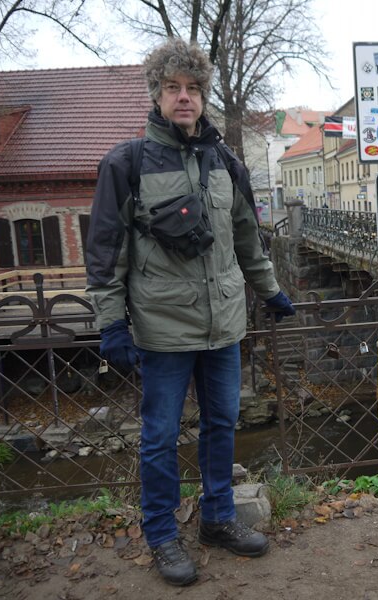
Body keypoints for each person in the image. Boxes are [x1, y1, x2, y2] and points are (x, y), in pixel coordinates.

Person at [85, 38, 295, 586]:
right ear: (156, 94)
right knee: (158, 437)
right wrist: (111, 321)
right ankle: (161, 534)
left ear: (203, 96)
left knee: (221, 424)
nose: (184, 98)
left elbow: (247, 236)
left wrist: (269, 291)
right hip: (162, 331)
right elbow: (105, 253)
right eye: (173, 88)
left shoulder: (223, 159)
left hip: (224, 325)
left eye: (193, 89)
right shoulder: (126, 164)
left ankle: (218, 520)